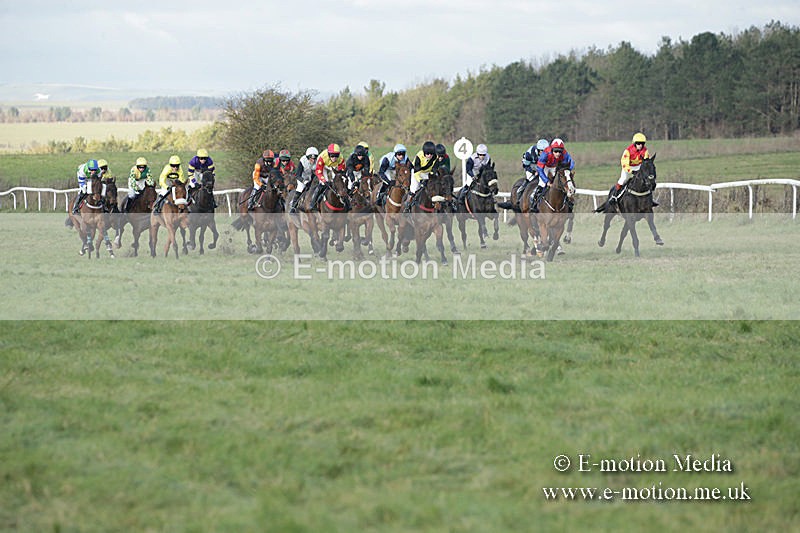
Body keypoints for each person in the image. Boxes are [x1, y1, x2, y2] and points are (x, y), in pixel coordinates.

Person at [611, 132, 658, 207]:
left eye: (642, 143)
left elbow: (646, 162)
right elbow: (624, 163)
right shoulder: (628, 151)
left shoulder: (645, 150)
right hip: (628, 166)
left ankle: (650, 199)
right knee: (623, 179)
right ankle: (614, 197)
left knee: (647, 180)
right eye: (638, 143)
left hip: (639, 166)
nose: (640, 145)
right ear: (634, 143)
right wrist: (632, 171)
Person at [530, 138, 575, 212]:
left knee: (561, 183)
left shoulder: (564, 153)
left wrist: (567, 170)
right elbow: (540, 169)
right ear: (552, 149)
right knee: (542, 183)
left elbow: (571, 162)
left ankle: (568, 203)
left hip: (555, 167)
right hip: (545, 167)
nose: (558, 153)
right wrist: (547, 181)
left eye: (560, 151)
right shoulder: (545, 154)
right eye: (556, 151)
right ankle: (534, 204)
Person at [310, 143, 346, 208]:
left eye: (336, 156)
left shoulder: (341, 158)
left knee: (338, 181)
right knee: (323, 184)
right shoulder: (322, 157)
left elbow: (341, 172)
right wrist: (324, 181)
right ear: (329, 154)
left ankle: (346, 202)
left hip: (333, 166)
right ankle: (313, 203)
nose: (334, 158)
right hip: (323, 166)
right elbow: (318, 171)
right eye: (332, 156)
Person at [408, 141, 437, 208]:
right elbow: (416, 173)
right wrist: (421, 181)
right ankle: (408, 205)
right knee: (414, 189)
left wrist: (431, 177)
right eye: (427, 153)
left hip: (427, 173)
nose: (429, 155)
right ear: (424, 153)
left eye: (431, 153)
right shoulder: (419, 156)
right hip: (417, 172)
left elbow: (434, 169)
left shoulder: (435, 157)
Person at [289, 147, 318, 214]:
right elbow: (297, 175)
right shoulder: (303, 161)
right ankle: (293, 207)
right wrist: (303, 181)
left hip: (311, 178)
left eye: (314, 158)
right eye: (311, 158)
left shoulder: (317, 162)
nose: (313, 160)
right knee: (300, 188)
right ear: (307, 157)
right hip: (302, 178)